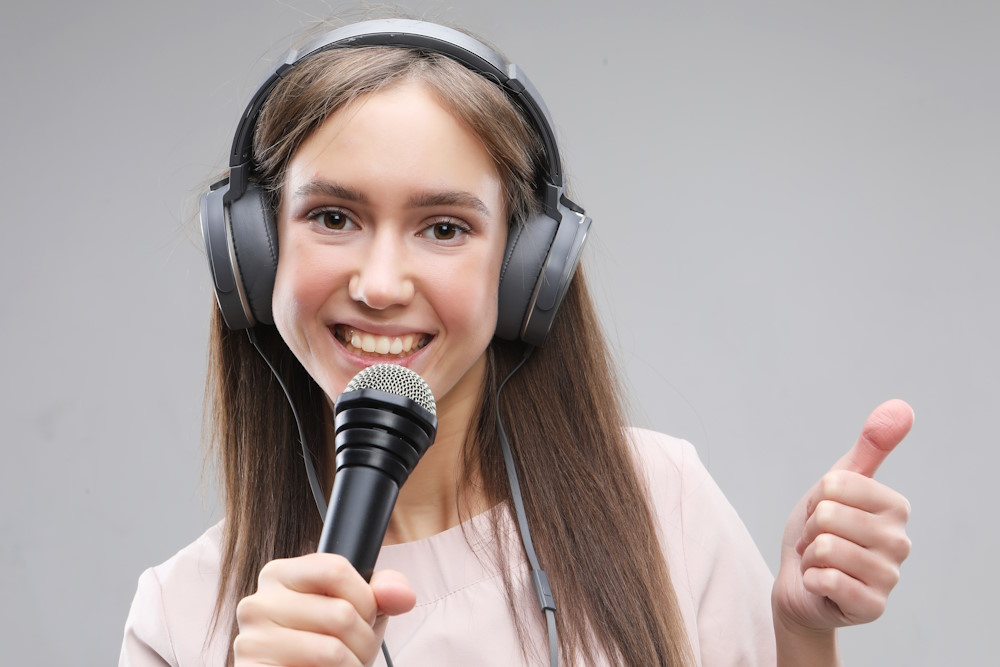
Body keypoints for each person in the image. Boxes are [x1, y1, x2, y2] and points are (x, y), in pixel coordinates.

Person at [119, 19, 913, 667]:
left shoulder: (661, 501)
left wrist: (803, 633)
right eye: (333, 217)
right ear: (253, 251)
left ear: (528, 267)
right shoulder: (183, 615)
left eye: (444, 227)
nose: (383, 282)